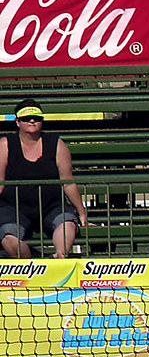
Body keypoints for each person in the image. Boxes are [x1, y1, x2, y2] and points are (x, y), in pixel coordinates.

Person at [0, 99, 85, 259]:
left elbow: (68, 182)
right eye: (26, 118)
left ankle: (59, 257)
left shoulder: (57, 144)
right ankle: (34, 261)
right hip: (12, 207)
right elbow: (0, 183)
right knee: (8, 237)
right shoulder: (5, 145)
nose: (32, 121)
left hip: (51, 205)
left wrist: (81, 213)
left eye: (37, 117)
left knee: (67, 224)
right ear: (17, 122)